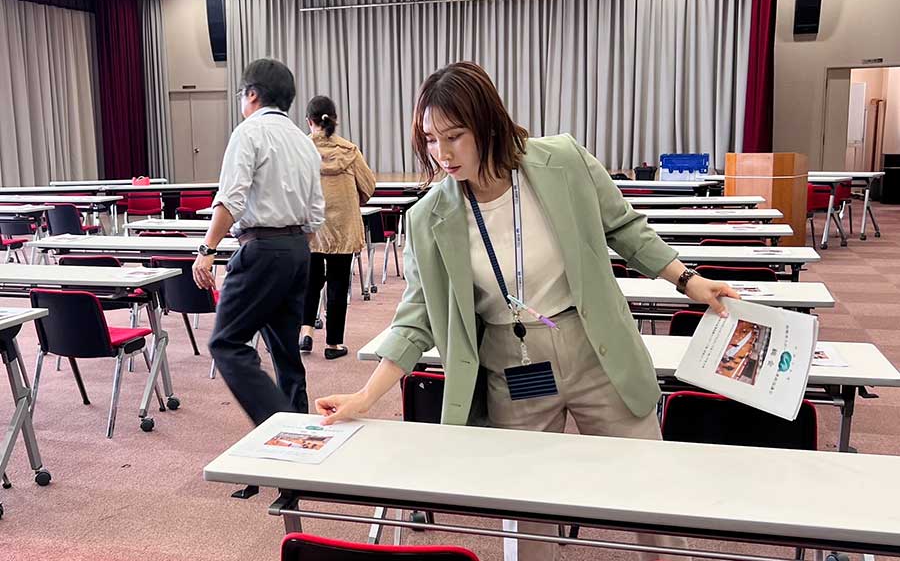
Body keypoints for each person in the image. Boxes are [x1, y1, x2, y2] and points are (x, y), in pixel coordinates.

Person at [315, 62, 739, 560]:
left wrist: (689, 281)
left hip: (593, 348)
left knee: (648, 490)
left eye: (455, 136)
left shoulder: (561, 160)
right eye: (430, 139)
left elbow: (624, 228)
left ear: (489, 123)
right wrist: (366, 396)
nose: (442, 154)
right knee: (529, 506)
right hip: (514, 365)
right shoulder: (430, 215)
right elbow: (417, 317)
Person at [193, 58, 325, 426]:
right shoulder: (305, 142)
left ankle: (279, 423)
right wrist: (294, 249)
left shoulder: (249, 132)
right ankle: (299, 453)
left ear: (251, 94)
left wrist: (207, 250)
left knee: (226, 343)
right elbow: (316, 213)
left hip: (262, 249)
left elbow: (231, 198)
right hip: (299, 248)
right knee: (286, 353)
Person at [300, 95, 376, 360]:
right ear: (335, 120)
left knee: (309, 282)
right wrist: (354, 199)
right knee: (337, 283)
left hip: (311, 229)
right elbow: (369, 185)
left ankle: (306, 332)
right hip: (343, 230)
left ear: (309, 121)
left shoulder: (300, 150)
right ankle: (333, 344)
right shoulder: (349, 151)